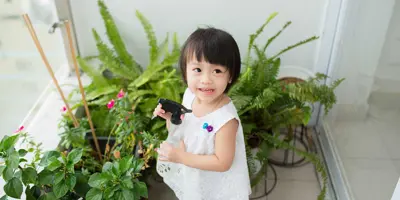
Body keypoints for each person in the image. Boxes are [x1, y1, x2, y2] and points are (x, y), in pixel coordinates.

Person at [153, 27, 251, 200]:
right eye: (198, 70)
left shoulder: (225, 120)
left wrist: (181, 157)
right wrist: (171, 119)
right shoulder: (190, 96)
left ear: (230, 76)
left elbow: (222, 162)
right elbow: (184, 130)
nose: (206, 80)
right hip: (195, 174)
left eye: (217, 71)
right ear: (185, 71)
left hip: (216, 184)